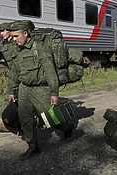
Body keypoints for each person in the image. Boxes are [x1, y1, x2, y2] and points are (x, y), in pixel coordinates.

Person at [8, 20, 73, 161]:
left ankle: (67, 128)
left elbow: (50, 72)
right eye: (12, 37)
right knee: (25, 119)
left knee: (52, 117)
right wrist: (11, 90)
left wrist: (54, 93)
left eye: (16, 36)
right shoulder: (17, 50)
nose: (14, 40)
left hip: (41, 89)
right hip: (24, 89)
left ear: (25, 33)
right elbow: (14, 72)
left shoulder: (40, 48)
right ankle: (33, 146)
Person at [0, 22, 20, 132]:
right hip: (14, 75)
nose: (1, 33)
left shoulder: (17, 42)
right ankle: (7, 123)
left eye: (3, 31)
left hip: (22, 75)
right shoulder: (4, 43)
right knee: (9, 99)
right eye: (0, 31)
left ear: (10, 31)